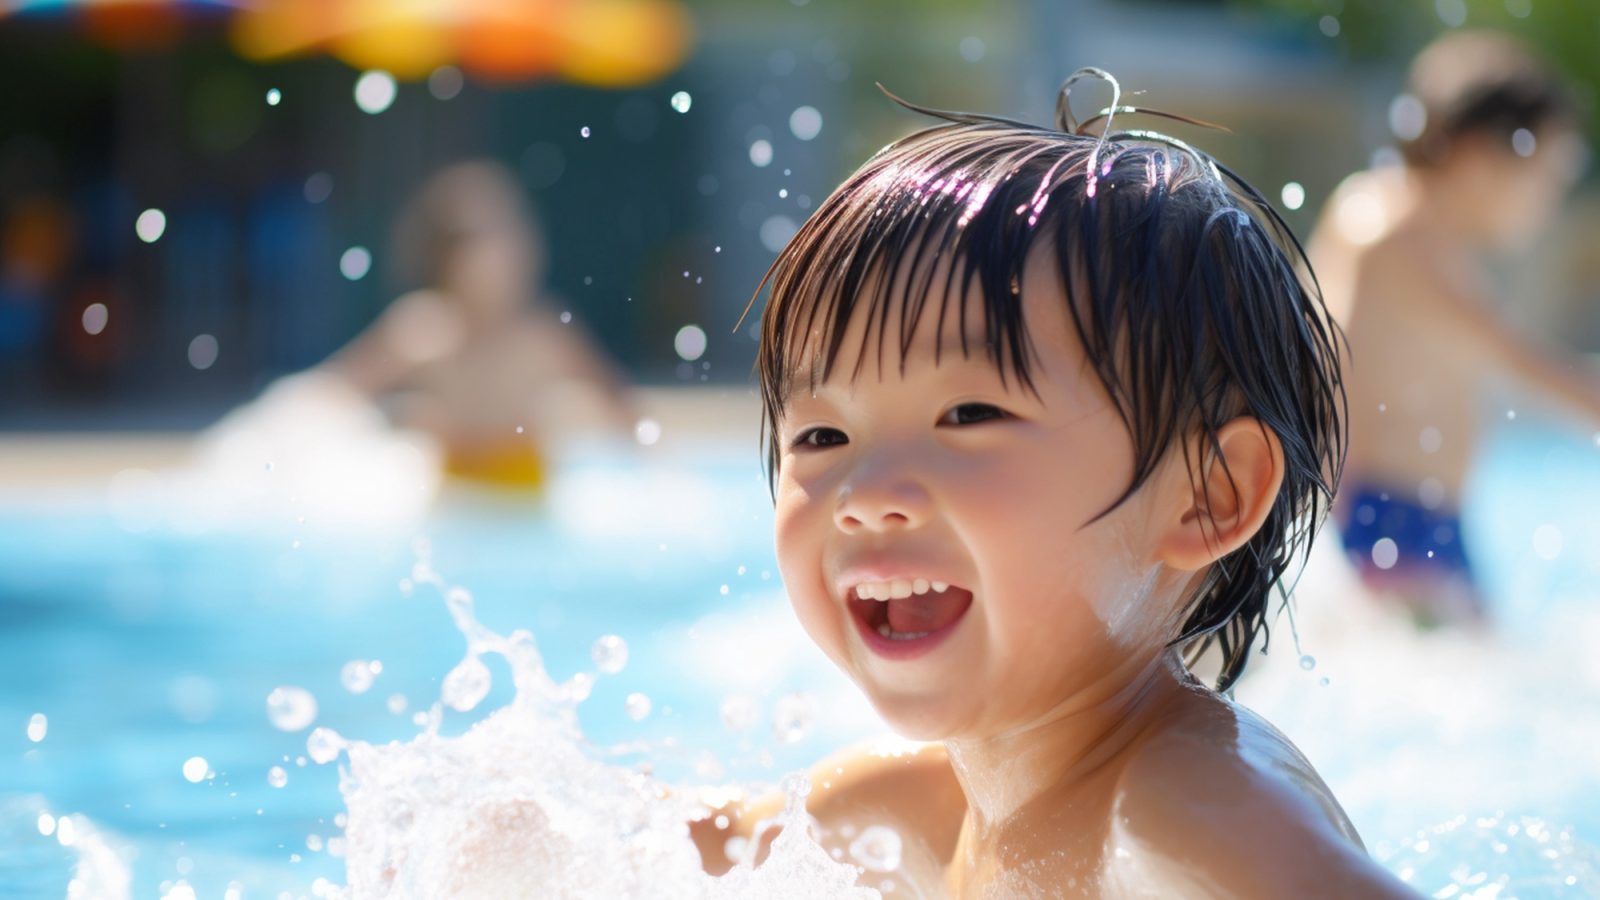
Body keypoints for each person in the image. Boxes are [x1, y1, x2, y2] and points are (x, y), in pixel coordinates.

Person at [689, 72, 1419, 897]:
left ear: (1208, 494)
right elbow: (632, 844)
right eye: (823, 436)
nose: (865, 493)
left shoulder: (1186, 810)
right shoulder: (916, 809)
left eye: (968, 414)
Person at [1308, 31, 1599, 625]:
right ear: (1478, 156)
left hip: (1416, 522)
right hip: (1378, 522)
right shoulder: (1392, 231)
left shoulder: (1430, 245)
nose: (1551, 196)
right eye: (1552, 168)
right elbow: (1526, 364)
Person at [321, 160, 635, 488]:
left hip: (522, 494)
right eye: (478, 246)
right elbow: (336, 389)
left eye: (504, 239)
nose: (494, 261)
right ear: (444, 260)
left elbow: (619, 405)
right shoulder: (426, 331)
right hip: (458, 495)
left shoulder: (542, 333)